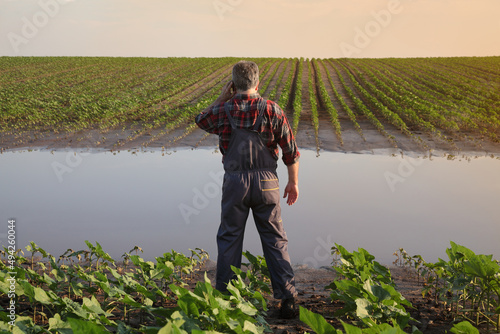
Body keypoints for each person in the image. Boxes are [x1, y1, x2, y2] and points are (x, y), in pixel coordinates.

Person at [195, 60, 300, 319]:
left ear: (233, 84)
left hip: (235, 184)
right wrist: (293, 182)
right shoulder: (273, 110)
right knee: (275, 239)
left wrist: (221, 97)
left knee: (230, 237)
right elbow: (291, 152)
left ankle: (226, 298)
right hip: (268, 183)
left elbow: (200, 121)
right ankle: (287, 300)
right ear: (258, 82)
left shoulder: (223, 109)